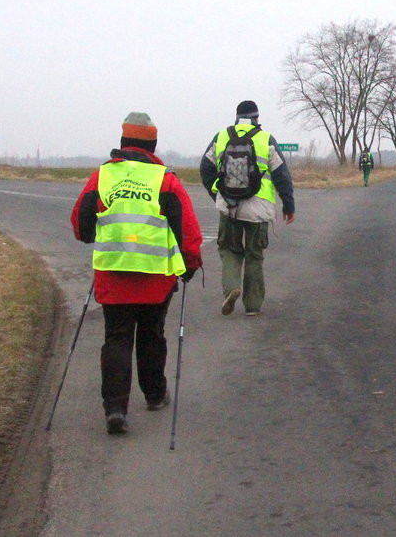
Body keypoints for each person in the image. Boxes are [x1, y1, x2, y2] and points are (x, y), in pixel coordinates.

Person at [71, 112, 202, 435]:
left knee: (116, 338)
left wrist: (98, 237)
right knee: (151, 334)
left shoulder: (102, 177)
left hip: (114, 275)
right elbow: (187, 232)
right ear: (152, 144)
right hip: (155, 278)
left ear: (123, 142)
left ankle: (115, 408)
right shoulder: (165, 180)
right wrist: (190, 265)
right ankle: (155, 394)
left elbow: (81, 225)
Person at [199, 100, 295, 317]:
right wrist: (288, 205)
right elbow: (282, 175)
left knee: (229, 249)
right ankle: (252, 306)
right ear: (257, 118)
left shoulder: (221, 136)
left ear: (237, 117)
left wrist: (217, 193)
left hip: (229, 205)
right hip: (258, 207)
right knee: (254, 254)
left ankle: (232, 287)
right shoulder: (265, 139)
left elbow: (205, 168)